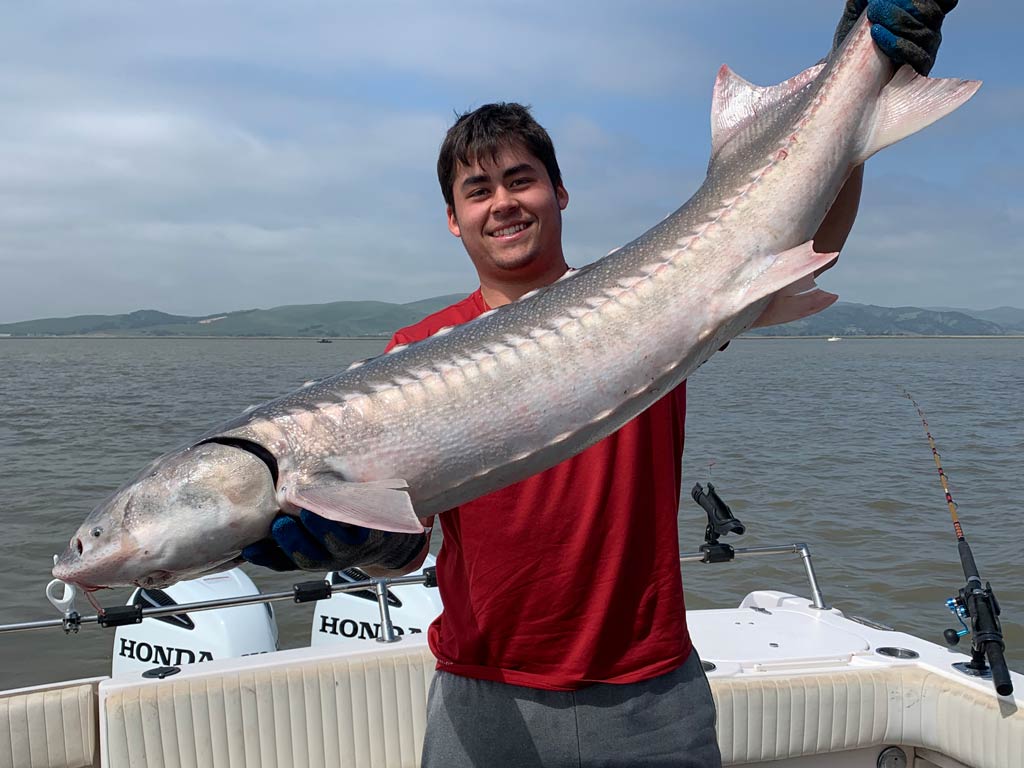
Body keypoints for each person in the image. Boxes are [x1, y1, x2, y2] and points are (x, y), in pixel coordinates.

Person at [243, 2, 957, 764]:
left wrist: (858, 78)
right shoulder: (408, 355)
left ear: (561, 192)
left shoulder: (657, 300)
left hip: (650, 696)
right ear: (452, 218)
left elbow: (799, 240)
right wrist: (351, 543)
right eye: (477, 190)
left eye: (522, 180)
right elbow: (406, 550)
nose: (503, 202)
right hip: (480, 695)